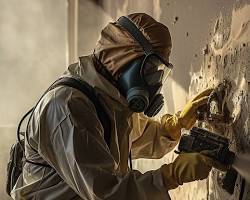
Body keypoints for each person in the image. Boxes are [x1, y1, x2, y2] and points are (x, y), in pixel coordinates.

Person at [11, 13, 218, 200]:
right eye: (150, 69)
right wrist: (171, 176)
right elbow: (107, 194)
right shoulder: (68, 108)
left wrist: (175, 125)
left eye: (160, 71)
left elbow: (141, 138)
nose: (154, 82)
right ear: (123, 59)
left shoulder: (110, 99)